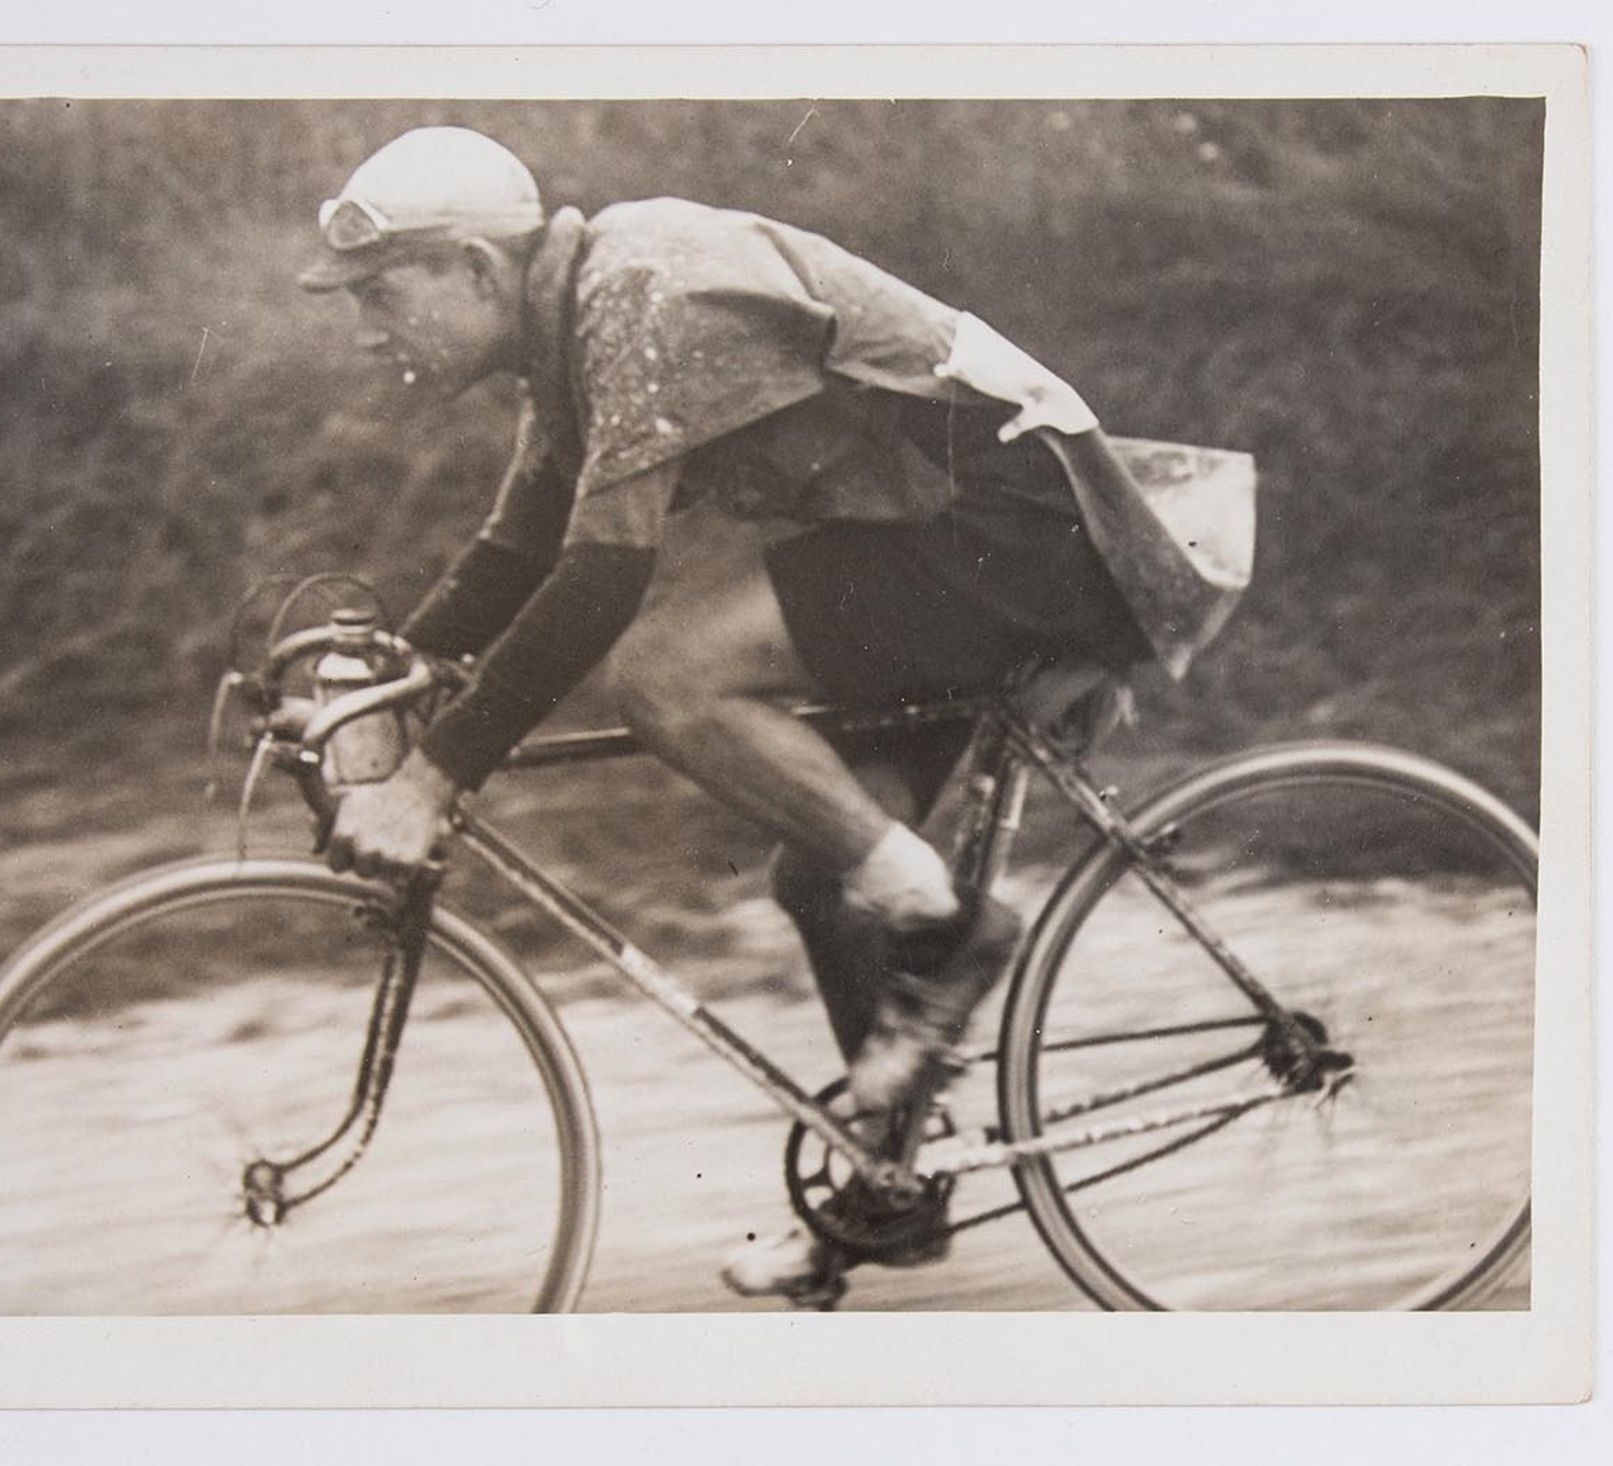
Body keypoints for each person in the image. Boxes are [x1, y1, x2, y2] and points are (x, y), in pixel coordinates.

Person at [299, 126, 1242, 1303]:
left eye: (382, 292)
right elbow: (521, 541)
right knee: (822, 873)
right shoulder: (570, 337)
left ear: (479, 273)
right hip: (953, 530)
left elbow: (599, 575)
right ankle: (890, 1181)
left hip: (1020, 525)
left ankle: (951, 932)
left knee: (663, 675)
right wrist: (398, 658)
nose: (365, 328)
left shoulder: (635, 288)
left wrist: (434, 772)